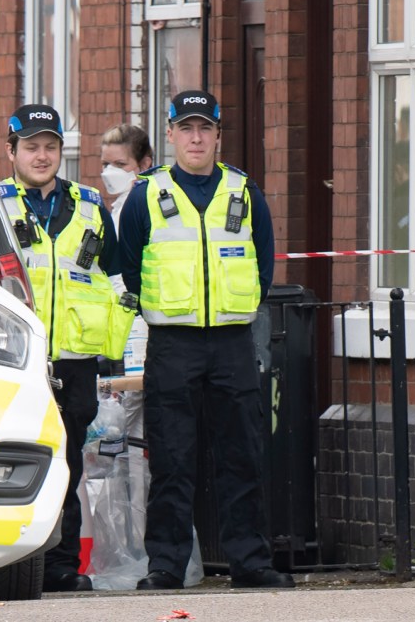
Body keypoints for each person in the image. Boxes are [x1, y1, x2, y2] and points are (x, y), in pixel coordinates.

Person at [118, 90, 293, 590]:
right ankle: (166, 565)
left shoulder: (244, 192)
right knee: (172, 459)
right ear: (170, 134)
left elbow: (262, 266)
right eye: (186, 129)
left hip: (233, 343)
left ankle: (250, 562)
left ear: (218, 135)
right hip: (173, 343)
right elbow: (130, 267)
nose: (196, 138)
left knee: (241, 454)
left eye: (205, 129)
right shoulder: (146, 194)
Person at [0, 104, 134, 592]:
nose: (41, 155)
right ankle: (7, 564)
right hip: (15, 360)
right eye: (31, 147)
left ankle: (60, 567)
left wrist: (113, 353)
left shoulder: (90, 204)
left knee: (68, 465)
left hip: (74, 362)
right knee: (11, 461)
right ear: (11, 151)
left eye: (50, 147)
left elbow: (115, 282)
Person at [100, 123, 154, 227]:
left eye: (120, 164)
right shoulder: (120, 205)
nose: (110, 172)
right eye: (106, 164)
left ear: (144, 165)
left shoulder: (150, 206)